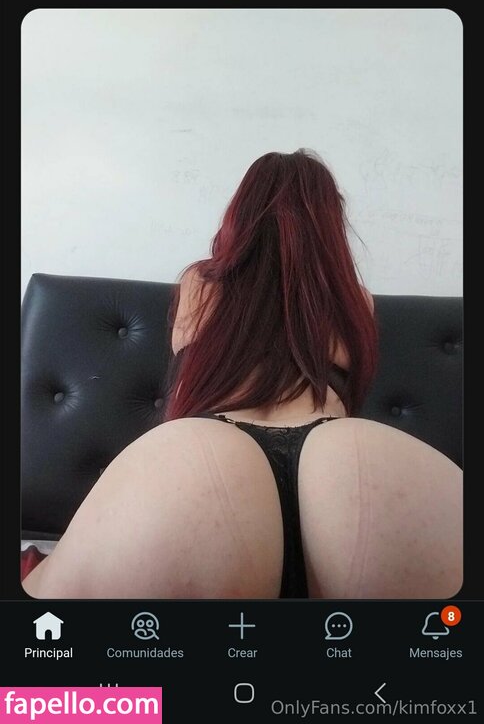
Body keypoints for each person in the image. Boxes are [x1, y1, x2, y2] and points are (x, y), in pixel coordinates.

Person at [22, 149, 462, 599]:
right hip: (343, 463)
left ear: (241, 212)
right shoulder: (356, 300)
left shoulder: (201, 284)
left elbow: (188, 376)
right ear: (331, 223)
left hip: (209, 460)